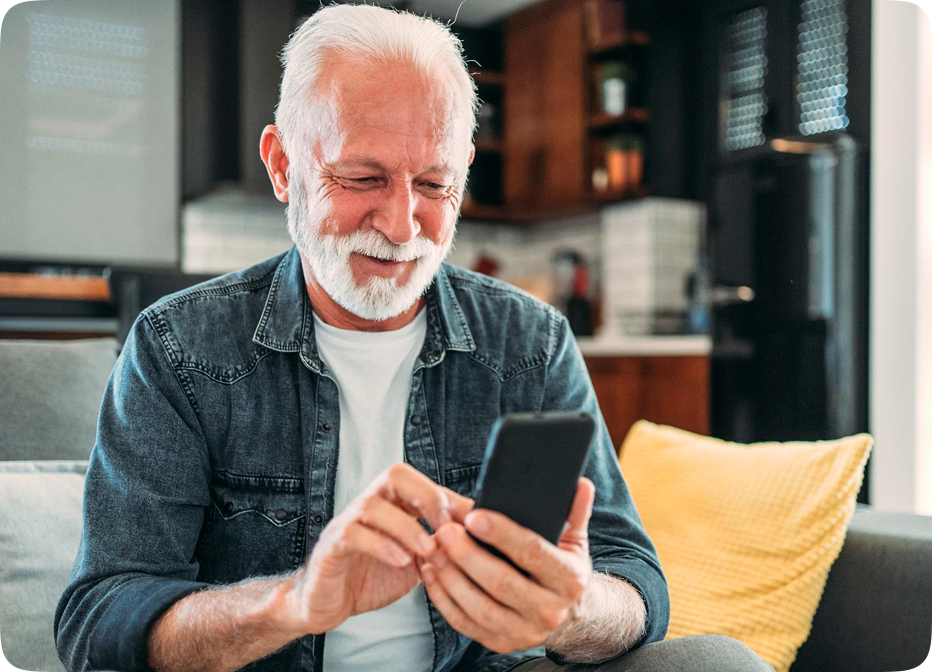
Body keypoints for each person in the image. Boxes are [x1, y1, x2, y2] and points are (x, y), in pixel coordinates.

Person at [55, 5, 773, 672]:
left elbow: (637, 583)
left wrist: (573, 608)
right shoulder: (178, 348)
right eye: (363, 177)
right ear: (283, 167)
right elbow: (100, 618)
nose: (402, 226)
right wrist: (294, 602)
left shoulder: (531, 343)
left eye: (435, 185)